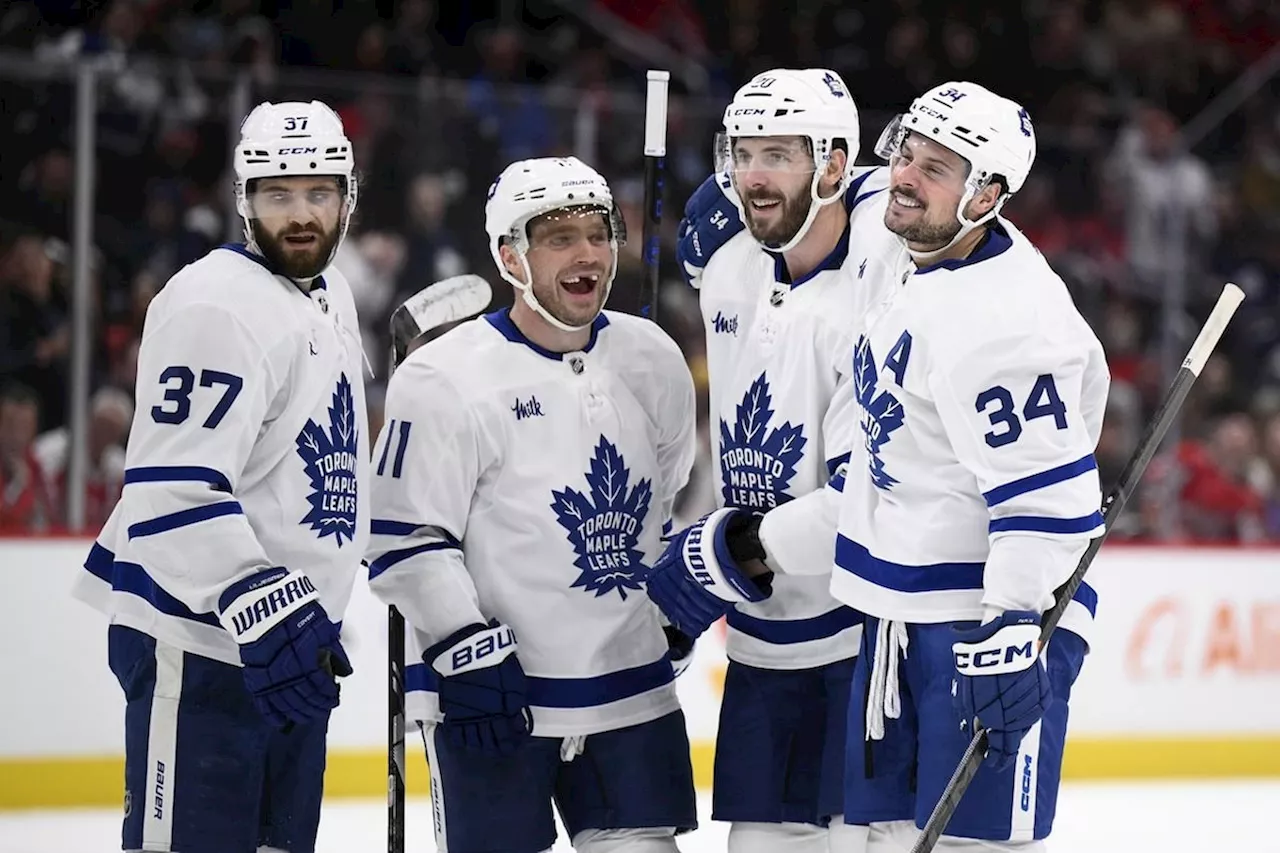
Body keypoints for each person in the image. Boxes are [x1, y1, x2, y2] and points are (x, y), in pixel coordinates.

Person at [647, 82, 1104, 852]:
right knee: (880, 840)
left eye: (936, 169)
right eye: (906, 156)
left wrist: (1014, 619)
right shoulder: (905, 252)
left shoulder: (1006, 319)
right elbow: (854, 186)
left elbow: (1048, 499)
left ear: (988, 193)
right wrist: (753, 181)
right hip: (898, 614)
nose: (904, 178)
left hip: (981, 621)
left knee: (970, 844)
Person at [365, 155, 699, 853]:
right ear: (509, 256)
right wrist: (462, 644)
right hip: (493, 694)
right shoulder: (442, 376)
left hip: (629, 688)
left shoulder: (654, 358)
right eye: (557, 236)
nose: (586, 254)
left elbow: (662, 501)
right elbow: (404, 538)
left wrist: (667, 608)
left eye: (597, 232)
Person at [72, 100, 370, 853]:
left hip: (293, 645)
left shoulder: (327, 294)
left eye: (318, 193)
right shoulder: (215, 303)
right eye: (278, 194)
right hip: (203, 643)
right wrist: (265, 602)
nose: (301, 215)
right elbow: (171, 488)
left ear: (348, 196)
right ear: (244, 200)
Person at [652, 68, 900, 853]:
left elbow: (866, 498)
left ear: (833, 167)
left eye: (780, 154)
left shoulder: (878, 294)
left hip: (857, 640)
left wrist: (725, 554)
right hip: (762, 638)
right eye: (743, 152)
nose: (753, 175)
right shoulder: (727, 267)